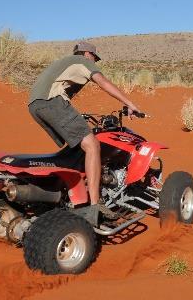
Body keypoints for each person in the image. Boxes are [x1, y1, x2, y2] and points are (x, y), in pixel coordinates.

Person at [28, 41, 143, 219]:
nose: (94, 62)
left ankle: (69, 191)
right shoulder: (82, 61)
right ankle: (95, 205)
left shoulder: (63, 62)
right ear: (87, 54)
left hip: (35, 105)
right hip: (52, 102)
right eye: (94, 58)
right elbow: (102, 82)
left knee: (77, 147)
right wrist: (129, 104)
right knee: (92, 145)